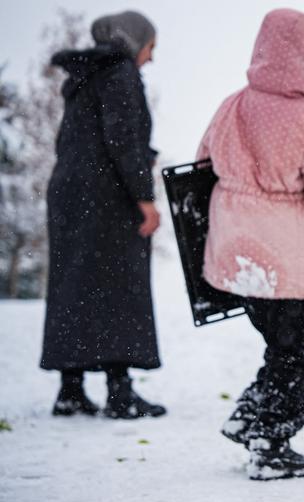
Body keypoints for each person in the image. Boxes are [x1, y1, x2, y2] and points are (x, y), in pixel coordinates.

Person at [196, 8, 304, 480]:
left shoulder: (232, 105)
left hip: (235, 259)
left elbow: (200, 169)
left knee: (280, 345)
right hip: (284, 263)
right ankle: (270, 441)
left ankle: (248, 413)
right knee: (302, 348)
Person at [41, 10, 166, 420]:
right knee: (119, 287)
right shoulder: (120, 73)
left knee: (75, 286)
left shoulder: (83, 76)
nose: (150, 58)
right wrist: (144, 198)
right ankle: (120, 390)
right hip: (108, 196)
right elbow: (123, 138)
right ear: (134, 43)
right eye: (150, 47)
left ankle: (70, 389)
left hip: (70, 194)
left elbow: (79, 139)